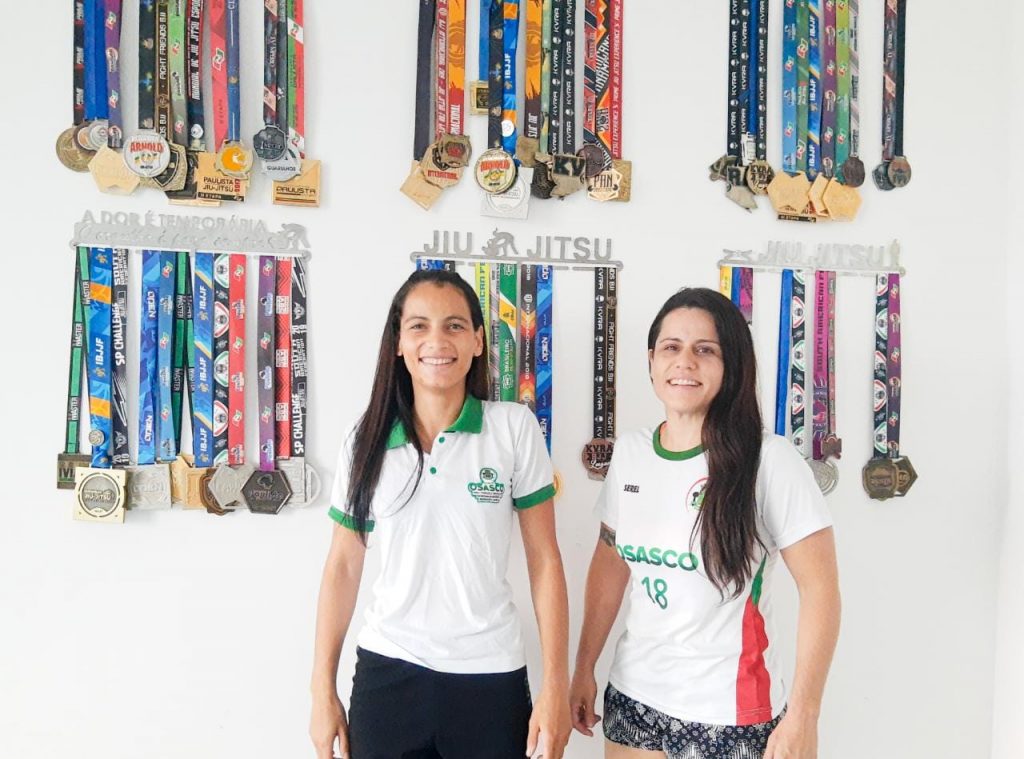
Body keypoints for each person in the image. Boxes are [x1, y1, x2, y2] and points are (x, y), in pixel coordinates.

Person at [569, 287, 840, 759]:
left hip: (728, 714)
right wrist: (583, 666)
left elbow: (821, 591)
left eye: (705, 350)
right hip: (634, 699)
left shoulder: (770, 461)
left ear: (731, 365)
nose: (685, 362)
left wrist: (804, 715)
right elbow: (610, 564)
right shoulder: (631, 453)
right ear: (651, 360)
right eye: (671, 347)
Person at [310, 269, 571, 759]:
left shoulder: (513, 429)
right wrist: (321, 690)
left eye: (454, 325)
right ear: (398, 343)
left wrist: (556, 684)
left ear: (477, 341)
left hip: (490, 677)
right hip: (388, 675)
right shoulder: (364, 439)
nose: (437, 341)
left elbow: (545, 561)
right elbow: (342, 565)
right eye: (419, 326)